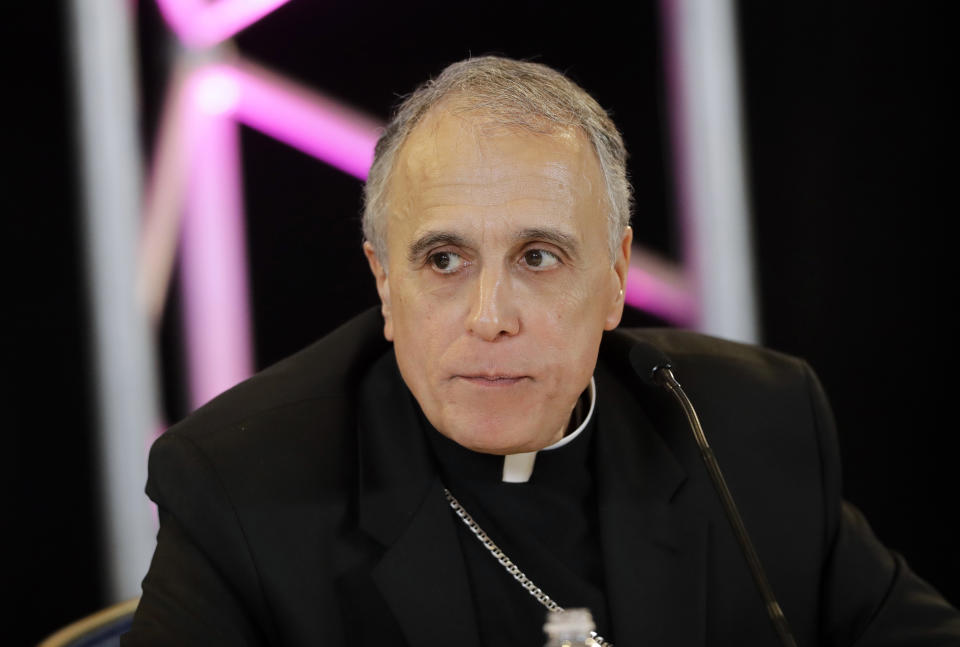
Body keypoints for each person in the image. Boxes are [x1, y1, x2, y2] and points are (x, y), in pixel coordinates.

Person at [122, 56, 959, 646]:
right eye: (443, 261)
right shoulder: (243, 482)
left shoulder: (745, 427)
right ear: (384, 282)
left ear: (616, 275)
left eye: (538, 257)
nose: (490, 317)